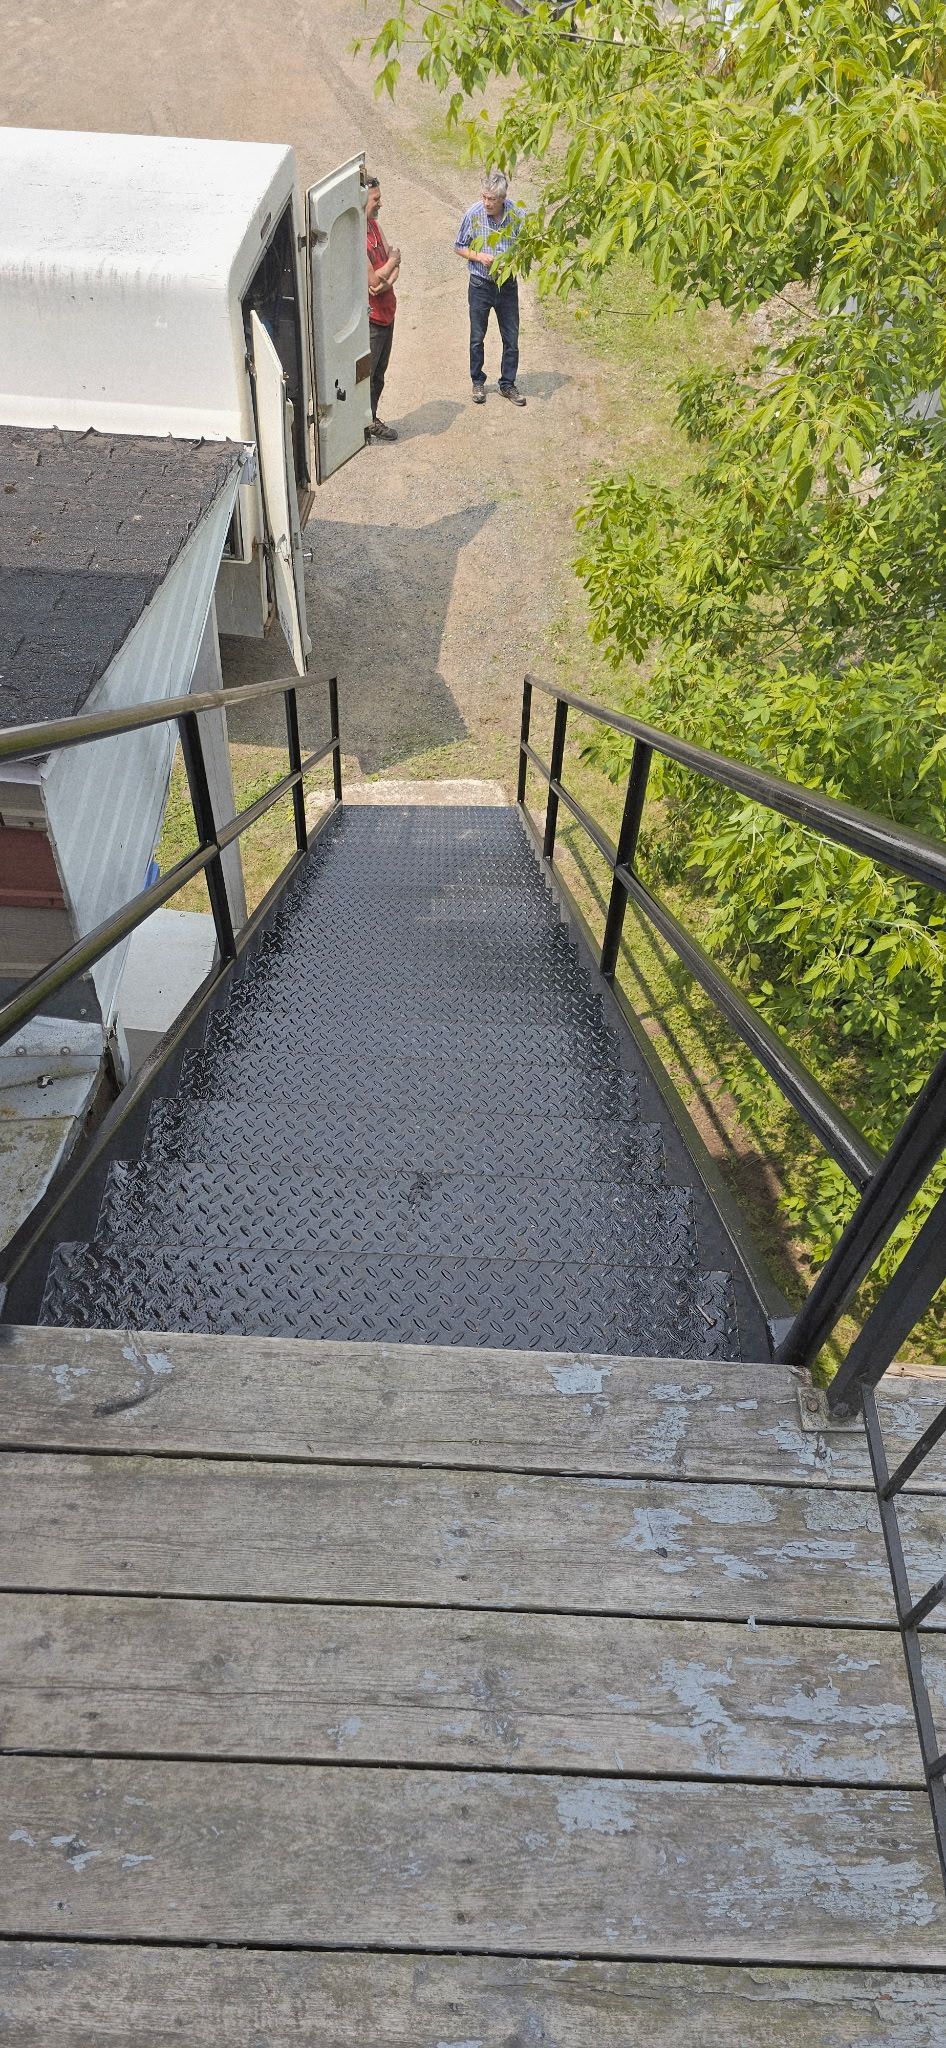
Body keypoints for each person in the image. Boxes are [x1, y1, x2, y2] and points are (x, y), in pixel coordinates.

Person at [455, 170, 526, 408]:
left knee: (511, 337)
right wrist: (478, 256)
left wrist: (512, 260)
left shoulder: (517, 216)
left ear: (503, 198)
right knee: (477, 337)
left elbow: (527, 247)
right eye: (484, 197)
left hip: (507, 285)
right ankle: (478, 381)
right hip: (480, 285)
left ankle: (508, 383)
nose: (486, 203)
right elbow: (459, 246)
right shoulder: (473, 214)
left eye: (492, 199)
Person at [365, 174, 400, 441]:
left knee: (379, 375)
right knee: (367, 376)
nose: (380, 204)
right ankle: (365, 424)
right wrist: (389, 268)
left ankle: (370, 419)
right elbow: (374, 279)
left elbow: (390, 266)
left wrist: (386, 277)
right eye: (376, 199)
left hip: (387, 313)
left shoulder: (374, 226)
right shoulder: (356, 237)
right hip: (372, 320)